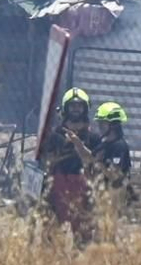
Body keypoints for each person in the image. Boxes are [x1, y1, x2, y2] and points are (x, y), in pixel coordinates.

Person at [40, 87, 98, 244]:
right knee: (50, 231)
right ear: (66, 108)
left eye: (79, 106)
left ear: (85, 109)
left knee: (83, 233)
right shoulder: (54, 136)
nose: (76, 110)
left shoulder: (93, 138)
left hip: (82, 185)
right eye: (72, 106)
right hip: (58, 183)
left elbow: (97, 163)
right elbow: (45, 162)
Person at [92, 101, 133, 241]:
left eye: (102, 124)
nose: (99, 127)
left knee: (109, 231)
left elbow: (116, 175)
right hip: (101, 193)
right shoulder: (103, 144)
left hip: (114, 195)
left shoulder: (119, 147)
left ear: (113, 125)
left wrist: (100, 164)